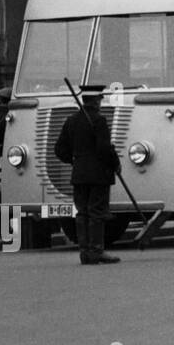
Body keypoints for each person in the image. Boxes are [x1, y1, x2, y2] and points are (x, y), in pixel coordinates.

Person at [54, 83, 122, 264]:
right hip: (98, 173)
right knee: (97, 212)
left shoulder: (71, 121)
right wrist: (115, 163)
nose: (101, 102)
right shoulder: (98, 120)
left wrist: (76, 160)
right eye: (100, 99)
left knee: (82, 212)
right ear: (96, 101)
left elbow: (59, 149)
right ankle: (97, 250)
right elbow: (104, 148)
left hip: (79, 173)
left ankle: (85, 252)